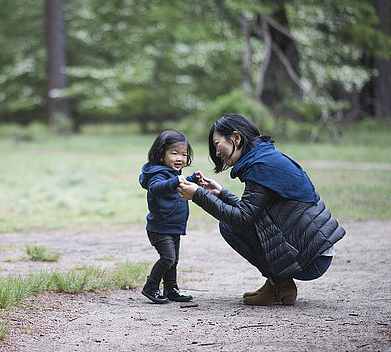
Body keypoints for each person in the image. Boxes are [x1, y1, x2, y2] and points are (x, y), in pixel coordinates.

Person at [177, 113, 346, 306]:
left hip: (311, 259)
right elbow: (253, 211)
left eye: (217, 144)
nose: (217, 153)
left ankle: (279, 282)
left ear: (236, 138)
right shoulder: (264, 158)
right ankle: (279, 285)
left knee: (229, 227)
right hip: (314, 251)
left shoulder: (262, 165)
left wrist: (198, 194)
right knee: (235, 224)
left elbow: (243, 218)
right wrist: (220, 193)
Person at [139, 130, 198, 304]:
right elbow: (156, 188)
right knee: (168, 258)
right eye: (174, 153)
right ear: (161, 154)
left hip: (174, 226)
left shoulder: (173, 174)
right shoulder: (157, 173)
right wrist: (178, 181)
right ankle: (150, 287)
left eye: (184, 154)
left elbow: (175, 183)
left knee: (174, 260)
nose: (180, 158)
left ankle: (171, 288)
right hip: (160, 228)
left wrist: (192, 179)